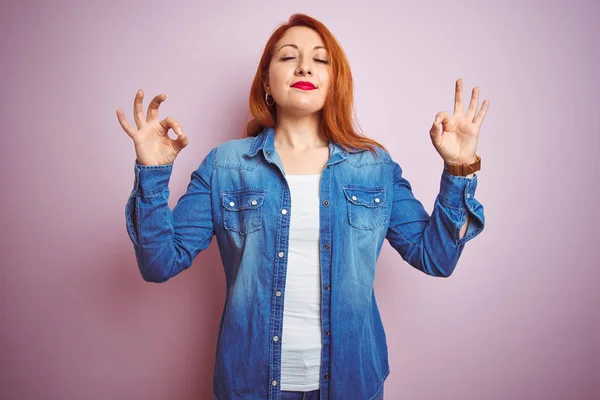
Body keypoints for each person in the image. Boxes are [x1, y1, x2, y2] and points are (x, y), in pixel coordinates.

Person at [117, 13, 488, 400]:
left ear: (333, 80)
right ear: (267, 81)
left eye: (320, 59)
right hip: (250, 387)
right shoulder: (226, 166)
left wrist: (459, 169)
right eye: (288, 57)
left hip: (351, 386)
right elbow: (159, 263)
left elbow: (436, 258)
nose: (305, 66)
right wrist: (153, 172)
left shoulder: (374, 166)